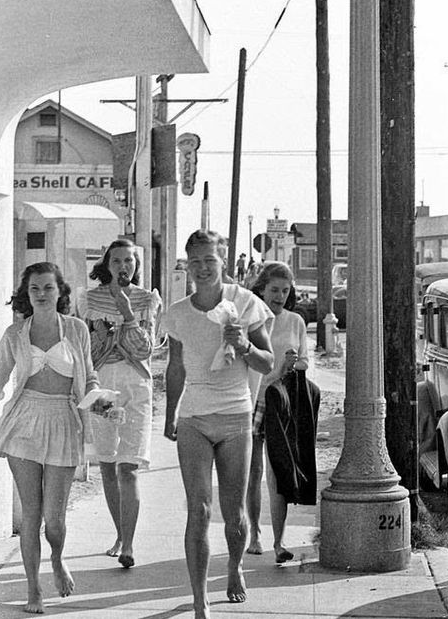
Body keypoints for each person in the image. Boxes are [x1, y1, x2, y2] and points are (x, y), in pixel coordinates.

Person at [164, 229, 274, 619]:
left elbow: (267, 362)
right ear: (187, 266)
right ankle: (199, 599)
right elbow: (175, 367)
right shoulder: (177, 312)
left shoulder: (245, 304)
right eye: (195, 262)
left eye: (210, 260)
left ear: (223, 261)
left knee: (233, 514)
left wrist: (244, 344)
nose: (203, 268)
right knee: (198, 510)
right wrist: (170, 415)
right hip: (194, 416)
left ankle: (235, 566)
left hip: (235, 417)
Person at [0, 262, 99, 614]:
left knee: (55, 519)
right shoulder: (14, 335)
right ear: (25, 294)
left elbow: (89, 379)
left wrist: (101, 401)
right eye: (35, 288)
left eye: (48, 287)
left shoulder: (76, 330)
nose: (42, 294)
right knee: (31, 514)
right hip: (24, 423)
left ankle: (58, 559)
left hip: (63, 421)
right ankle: (34, 591)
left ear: (61, 291)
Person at [77, 238, 161, 569]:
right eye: (117, 261)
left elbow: (145, 349)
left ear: (136, 266)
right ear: (106, 265)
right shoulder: (89, 299)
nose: (123, 267)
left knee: (129, 466)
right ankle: (118, 533)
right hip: (102, 387)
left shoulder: (147, 299)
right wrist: (108, 336)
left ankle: (129, 544)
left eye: (129, 261)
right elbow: (91, 351)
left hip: (136, 386)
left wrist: (127, 316)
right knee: (109, 464)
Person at [246, 262, 318, 564]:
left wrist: (293, 364)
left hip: (281, 403)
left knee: (278, 471)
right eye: (274, 289)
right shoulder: (249, 317)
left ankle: (278, 541)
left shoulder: (295, 321)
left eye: (285, 291)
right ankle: (255, 534)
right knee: (253, 472)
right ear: (261, 288)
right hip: (251, 399)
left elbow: (305, 361)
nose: (279, 296)